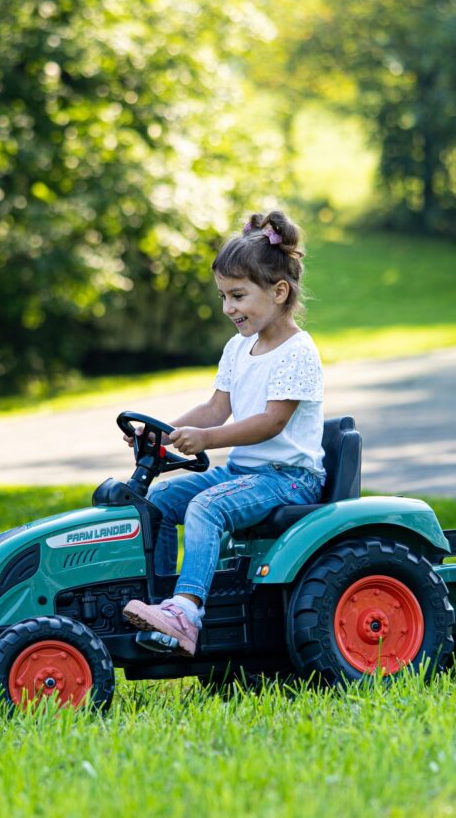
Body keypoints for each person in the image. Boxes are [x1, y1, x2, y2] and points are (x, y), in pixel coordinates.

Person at [122, 209, 326, 655]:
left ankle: (188, 612)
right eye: (223, 296)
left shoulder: (298, 352)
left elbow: (273, 421)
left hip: (288, 478)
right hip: (242, 473)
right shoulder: (239, 348)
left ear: (278, 291)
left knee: (206, 507)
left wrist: (207, 439)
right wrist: (165, 431)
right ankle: (163, 607)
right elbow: (217, 408)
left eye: (237, 296)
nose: (228, 308)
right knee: (157, 503)